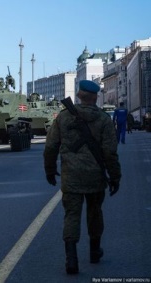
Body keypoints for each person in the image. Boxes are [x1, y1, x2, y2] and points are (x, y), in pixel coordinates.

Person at [43, 80, 121, 275]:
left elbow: (51, 147)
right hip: (95, 178)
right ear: (95, 97)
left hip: (71, 178)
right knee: (95, 214)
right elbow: (110, 152)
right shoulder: (103, 119)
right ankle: (95, 252)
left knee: (71, 216)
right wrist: (115, 176)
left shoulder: (63, 118)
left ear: (79, 95)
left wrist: (50, 170)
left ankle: (71, 260)